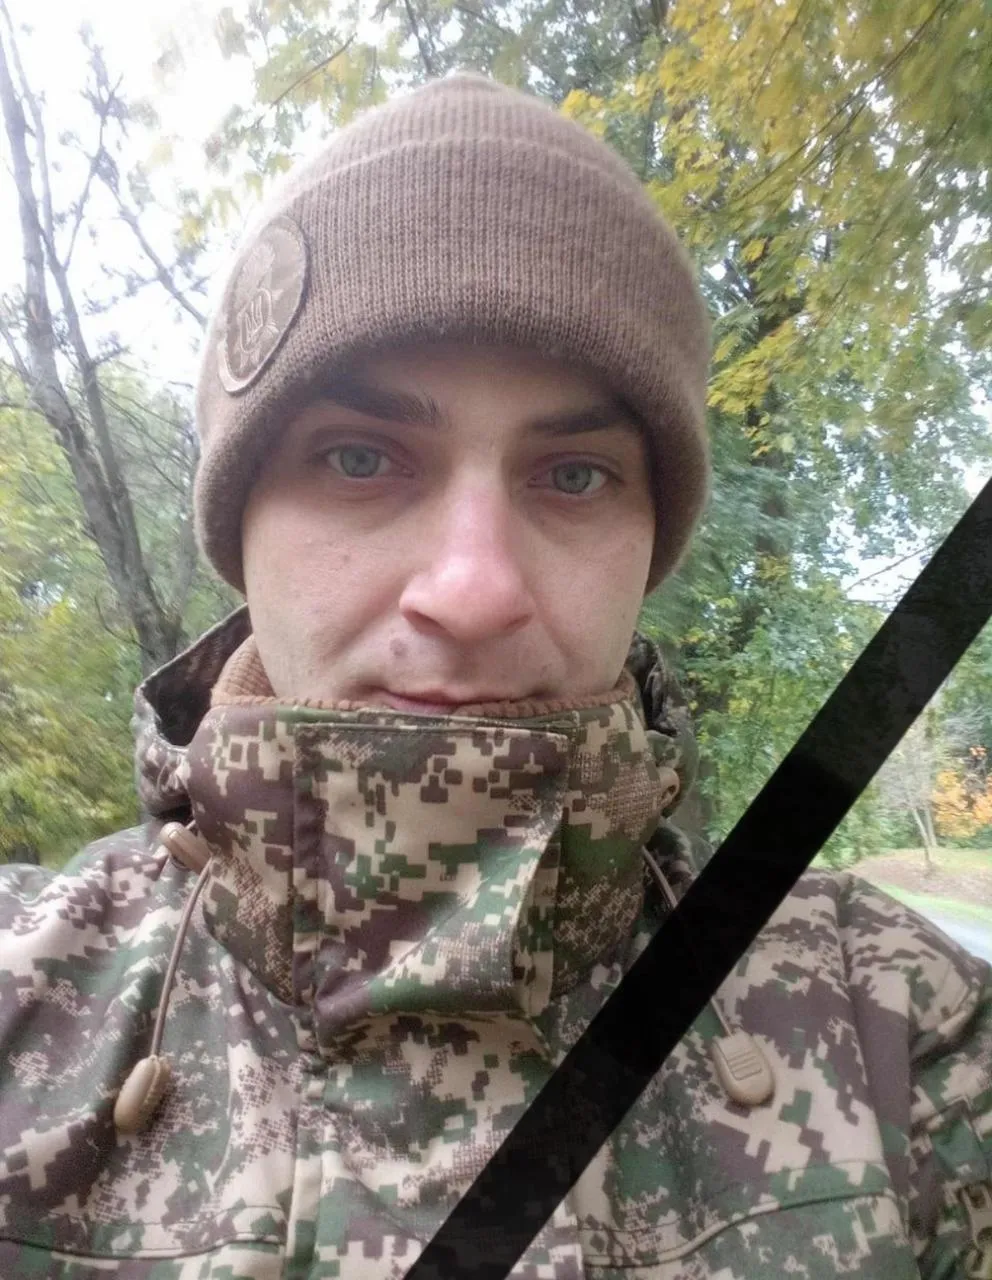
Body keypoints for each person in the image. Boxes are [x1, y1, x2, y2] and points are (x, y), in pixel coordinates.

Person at [0, 71, 988, 1280]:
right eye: (359, 457)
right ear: (240, 525)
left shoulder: (899, 1034)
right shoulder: (24, 998)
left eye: (572, 475)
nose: (471, 589)